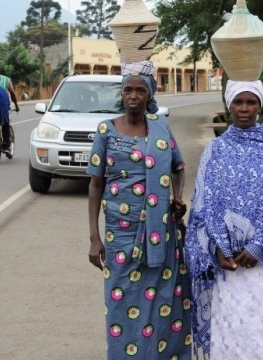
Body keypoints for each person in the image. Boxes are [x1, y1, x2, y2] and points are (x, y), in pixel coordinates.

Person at [185, 80, 263, 359]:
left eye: (251, 102)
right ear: (229, 104)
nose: (244, 109)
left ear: (260, 105)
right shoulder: (216, 150)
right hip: (230, 266)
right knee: (232, 335)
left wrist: (258, 247)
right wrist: (216, 249)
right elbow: (203, 208)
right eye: (238, 102)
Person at [87, 65, 192, 359]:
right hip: (120, 235)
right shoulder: (106, 130)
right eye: (128, 90)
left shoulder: (160, 127)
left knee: (161, 303)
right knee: (121, 302)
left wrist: (177, 196)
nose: (133, 96)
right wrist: (95, 238)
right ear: (122, 94)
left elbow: (178, 167)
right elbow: (95, 185)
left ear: (150, 95)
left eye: (140, 90)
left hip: (161, 234)